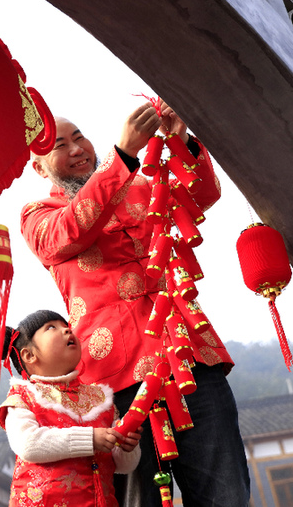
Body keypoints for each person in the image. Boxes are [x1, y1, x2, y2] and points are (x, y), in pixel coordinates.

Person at [20, 102, 250, 506]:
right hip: (114, 379)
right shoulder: (39, 216)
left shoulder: (141, 185)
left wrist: (178, 136)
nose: (77, 148)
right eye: (60, 145)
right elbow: (72, 231)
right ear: (40, 168)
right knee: (138, 499)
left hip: (190, 355)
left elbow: (201, 194)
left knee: (225, 493)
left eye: (79, 137)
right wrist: (122, 155)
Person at [0, 309, 141, 506]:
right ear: (29, 355)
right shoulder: (23, 395)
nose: (66, 330)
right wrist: (90, 438)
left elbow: (124, 467)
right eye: (51, 327)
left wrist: (127, 447)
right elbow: (28, 444)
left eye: (67, 326)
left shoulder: (100, 399)